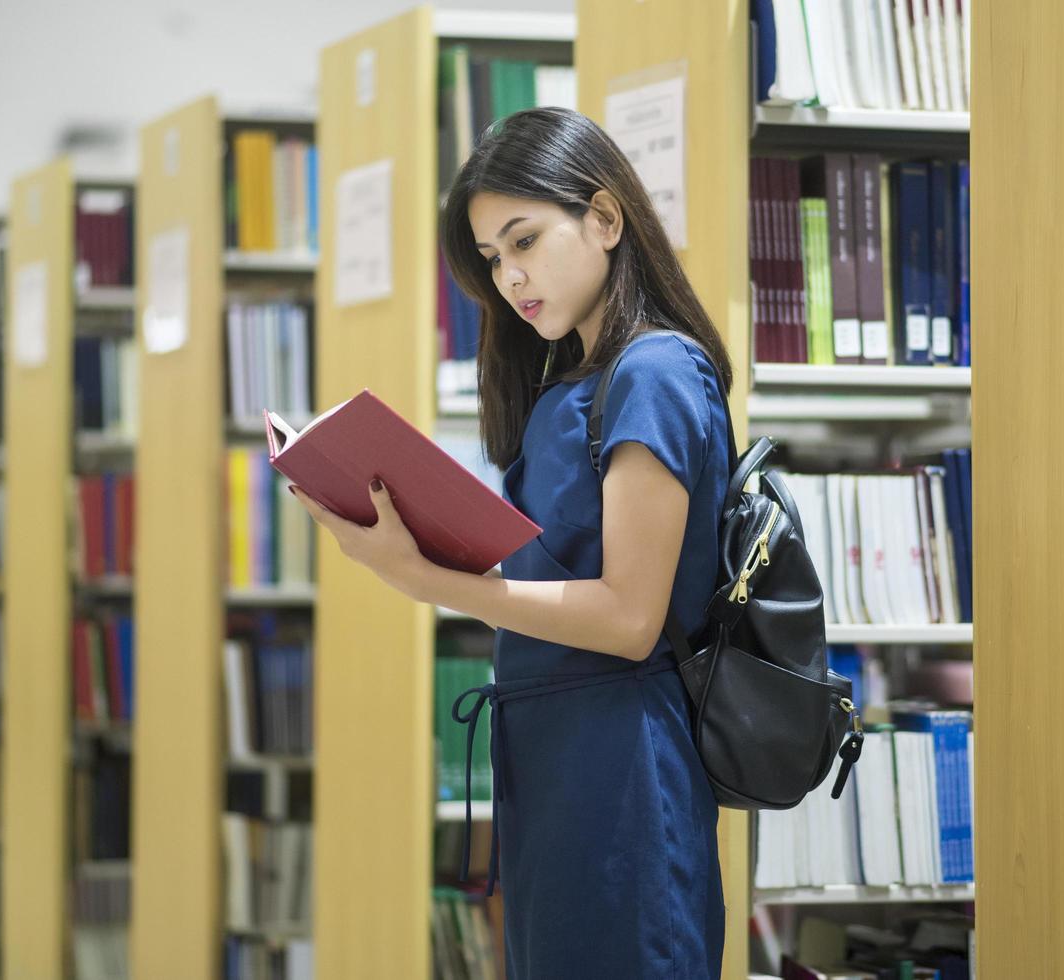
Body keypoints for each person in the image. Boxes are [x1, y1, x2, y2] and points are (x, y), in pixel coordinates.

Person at [291, 106, 733, 979]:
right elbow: (560, 571)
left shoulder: (654, 372)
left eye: (524, 241)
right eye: (493, 259)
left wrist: (429, 582)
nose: (510, 277)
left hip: (623, 771)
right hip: (554, 759)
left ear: (605, 219)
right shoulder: (572, 384)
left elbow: (630, 617)